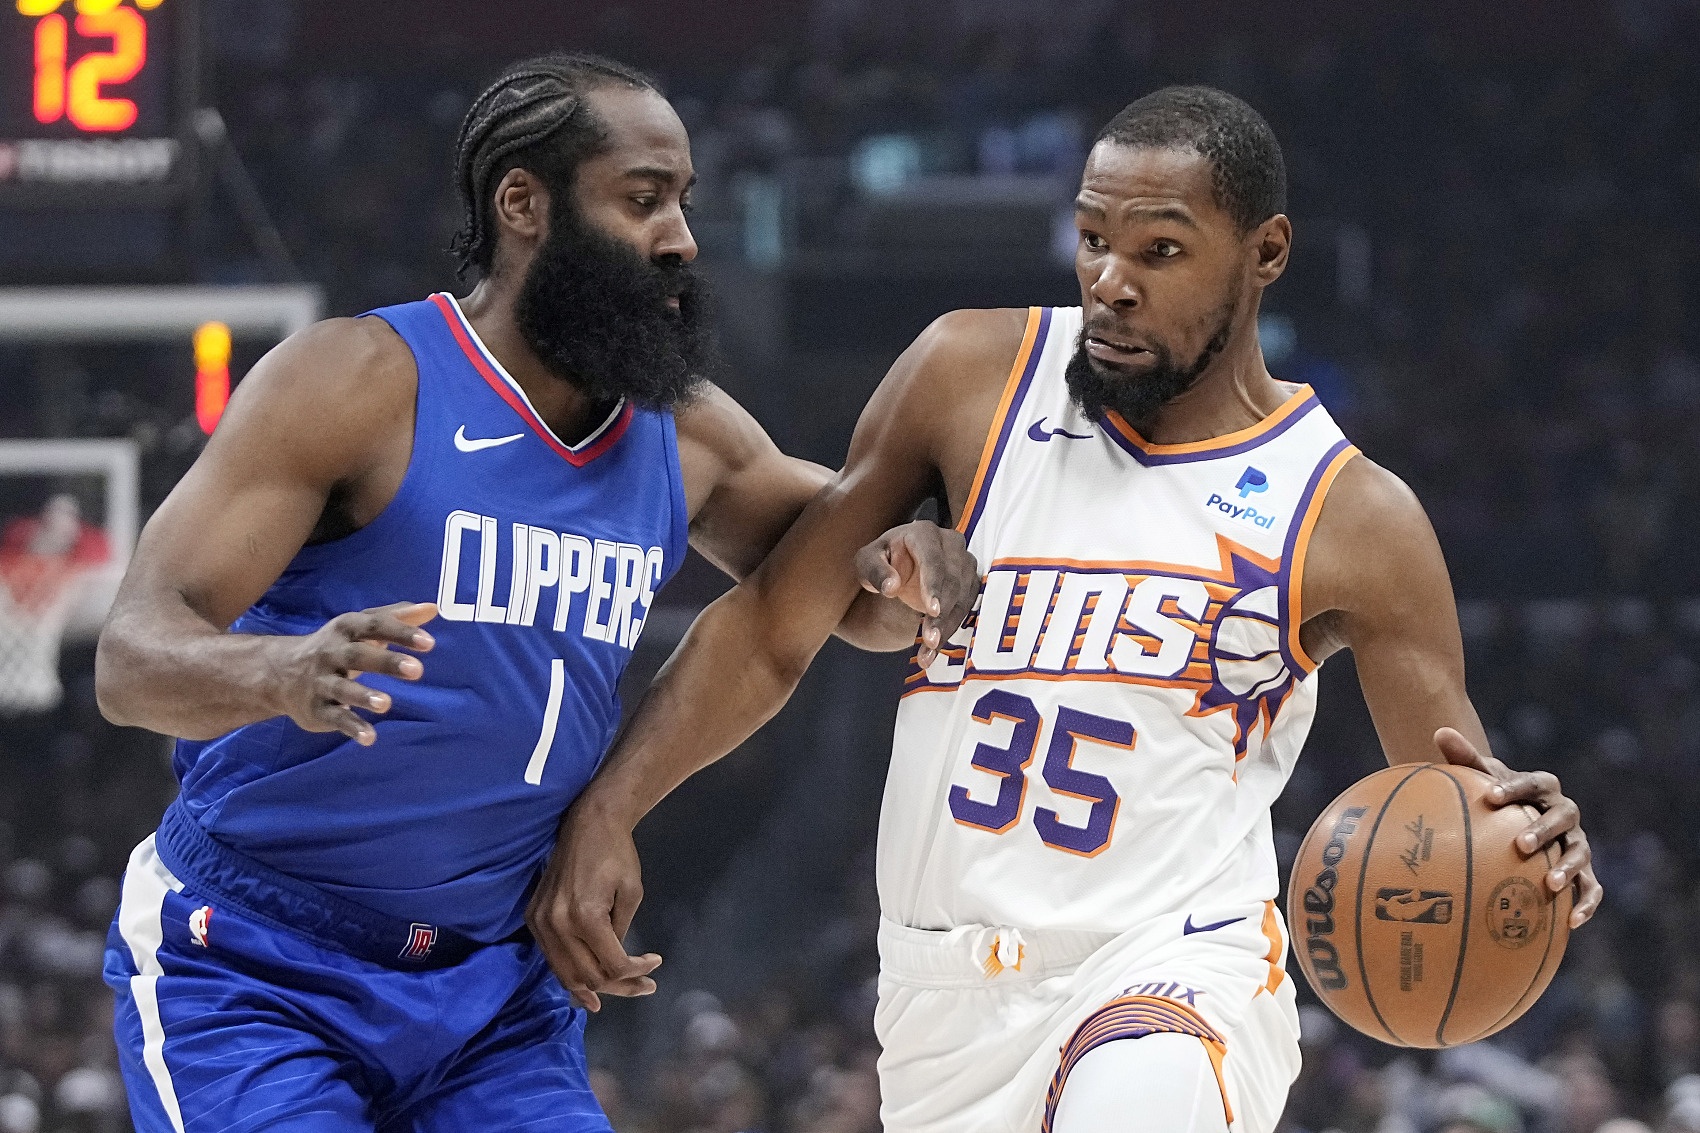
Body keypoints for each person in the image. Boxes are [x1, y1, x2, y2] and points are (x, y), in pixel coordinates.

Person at [533, 86, 1605, 1133]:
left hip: (1177, 968)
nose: (1111, 282)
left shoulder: (1352, 513)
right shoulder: (968, 374)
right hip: (939, 999)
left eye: (1160, 250)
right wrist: (612, 807)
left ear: (1265, 252)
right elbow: (775, 623)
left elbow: (1451, 793)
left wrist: (1526, 845)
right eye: (1093, 240)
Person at [92, 53, 973, 1133]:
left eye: (683, 203)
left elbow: (858, 605)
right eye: (642, 200)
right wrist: (279, 671)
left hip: (493, 995)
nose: (680, 239)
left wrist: (911, 561)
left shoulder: (687, 433)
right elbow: (131, 658)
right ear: (524, 204)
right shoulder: (357, 380)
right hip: (256, 964)